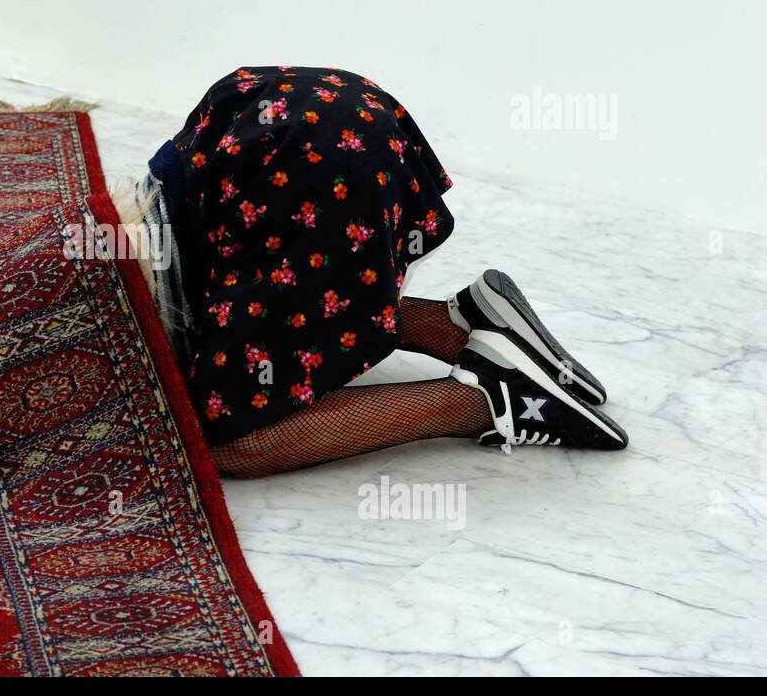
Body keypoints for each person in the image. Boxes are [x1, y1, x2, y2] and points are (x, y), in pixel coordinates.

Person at [112, 66, 627, 479]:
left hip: (311, 163)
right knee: (268, 296)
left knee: (228, 438)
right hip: (281, 110)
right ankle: (468, 324)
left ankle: (487, 396)